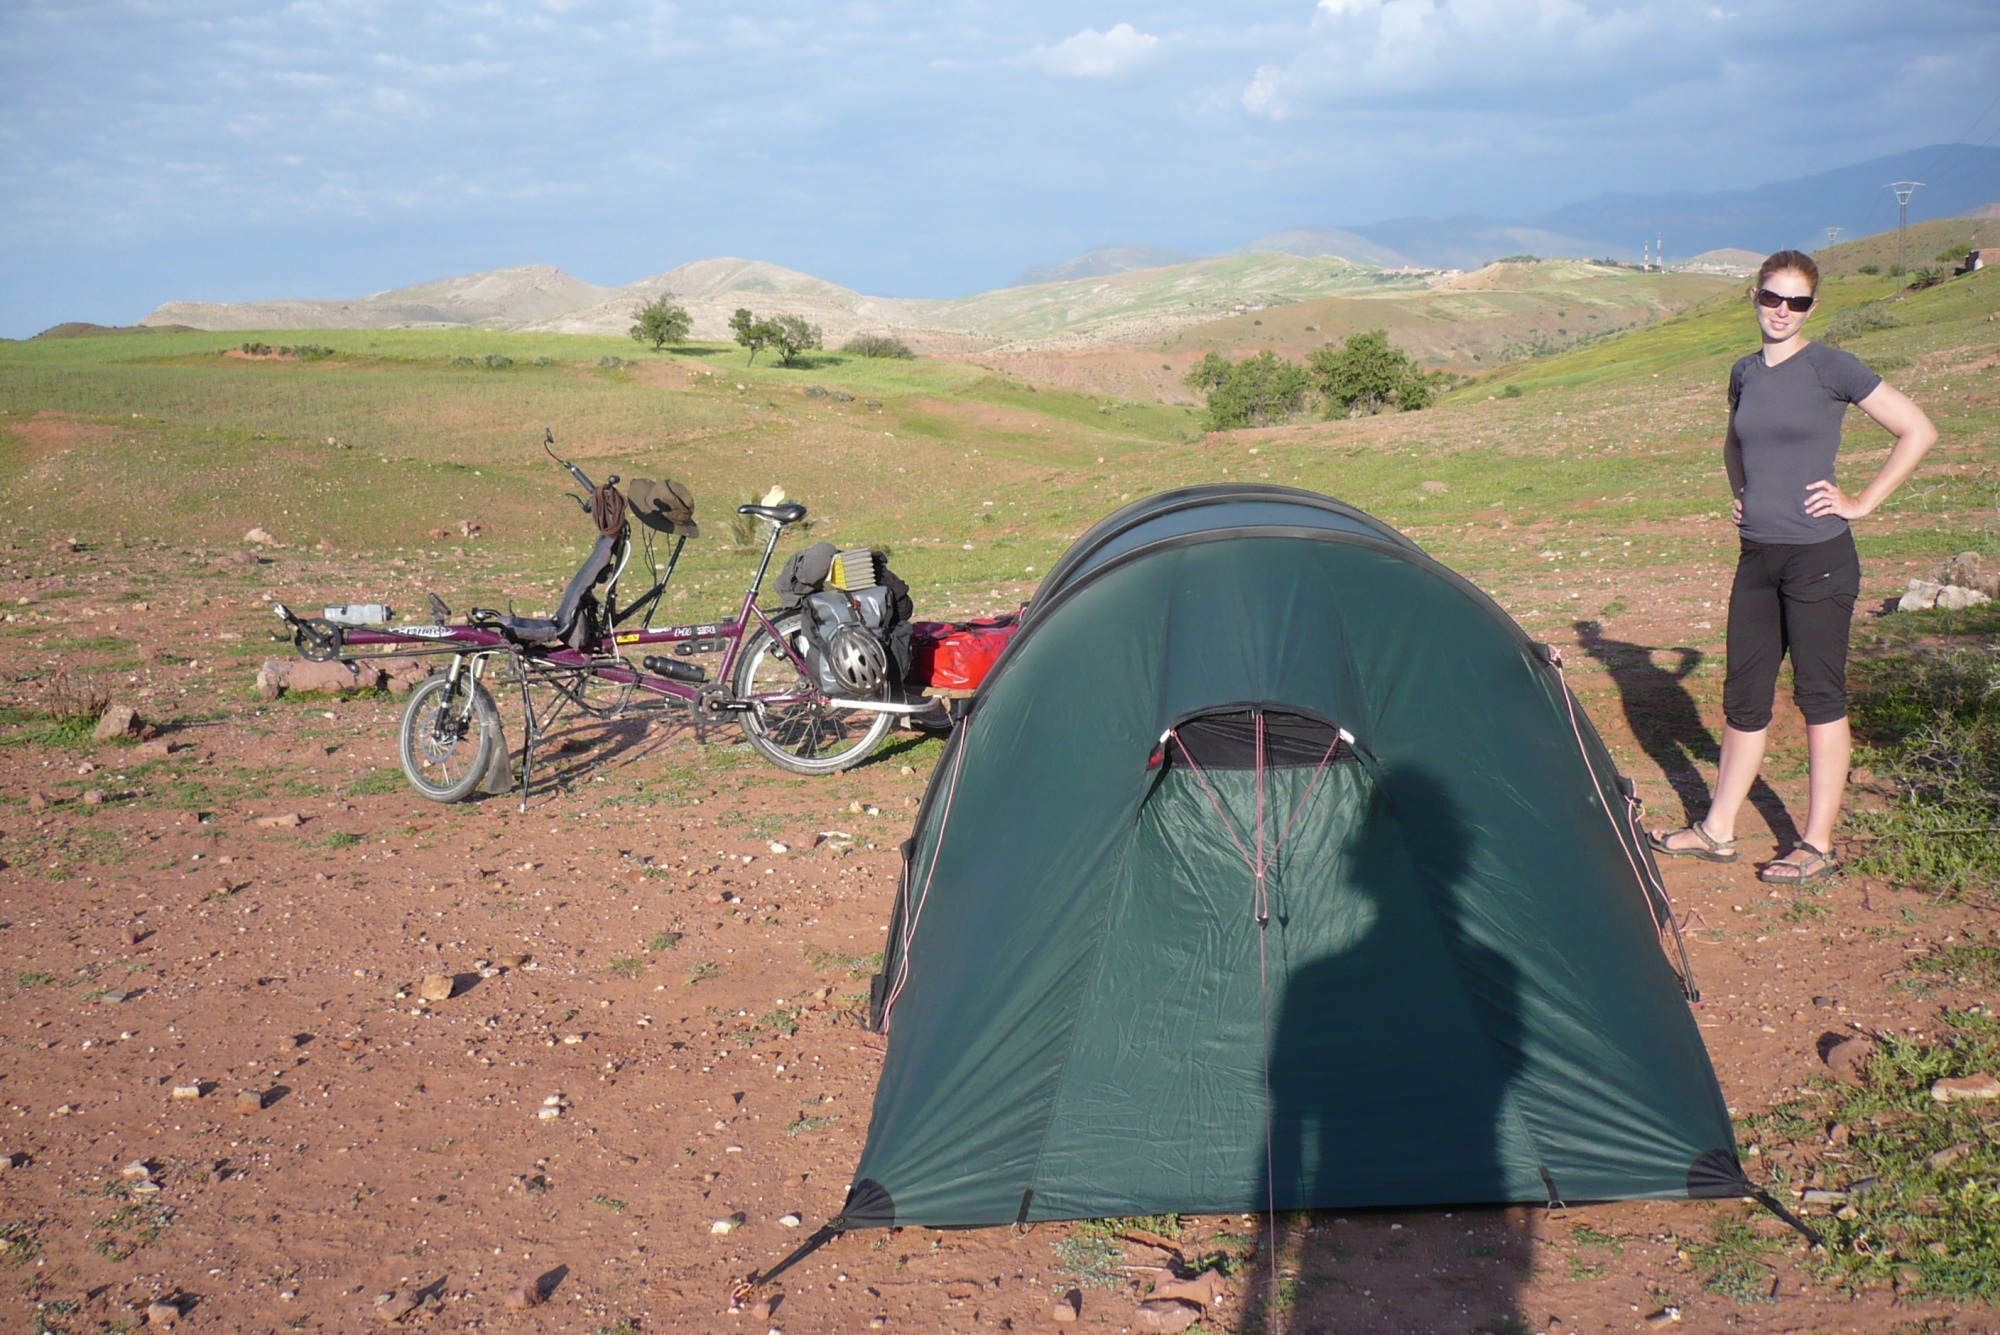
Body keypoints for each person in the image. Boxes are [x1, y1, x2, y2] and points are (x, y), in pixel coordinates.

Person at [1649, 250, 1936, 882]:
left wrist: (1861, 502)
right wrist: (1742, 492)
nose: (1783, 311)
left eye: (1797, 302)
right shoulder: (1744, 372)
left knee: (1819, 697)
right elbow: (1734, 441)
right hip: (1757, 558)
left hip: (1819, 559)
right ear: (1754, 297)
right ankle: (1717, 830)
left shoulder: (1832, 366)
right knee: (1744, 698)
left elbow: (1917, 429)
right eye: (1772, 298)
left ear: (1812, 307)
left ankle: (1816, 845)